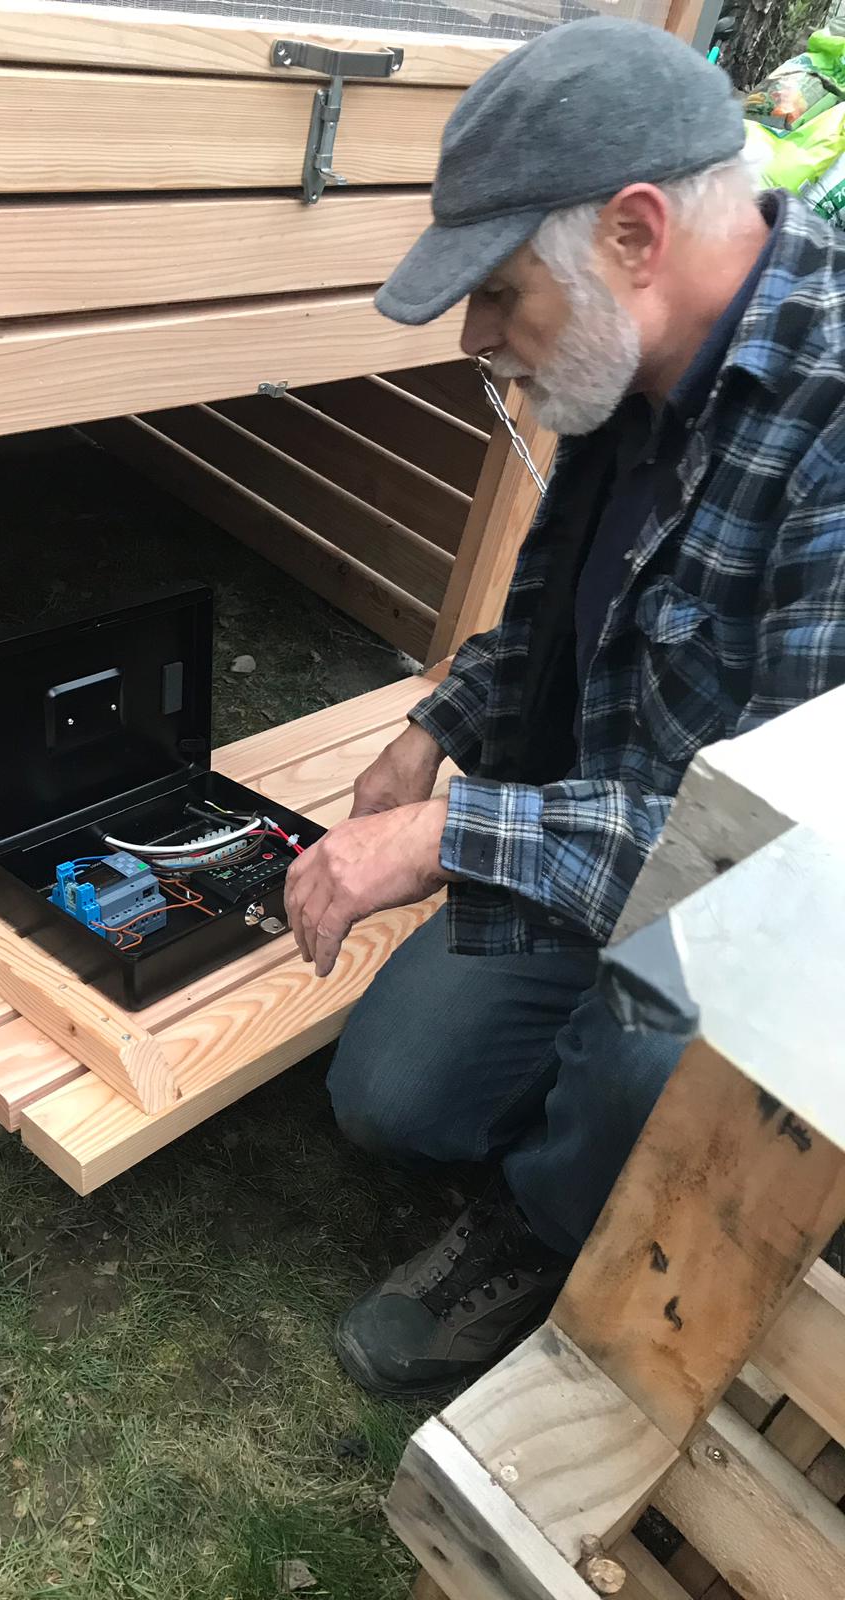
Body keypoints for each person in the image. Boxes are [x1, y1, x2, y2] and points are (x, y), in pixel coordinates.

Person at [282, 15, 845, 1398]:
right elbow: (552, 620)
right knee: (392, 1097)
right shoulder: (630, 360)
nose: (480, 337)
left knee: (652, 1058)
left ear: (635, 234)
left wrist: (447, 840)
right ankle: (578, 1110)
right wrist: (437, 731)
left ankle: (553, 1226)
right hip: (604, 836)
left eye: (499, 292)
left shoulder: (831, 429)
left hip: (768, 927)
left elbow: (778, 863)